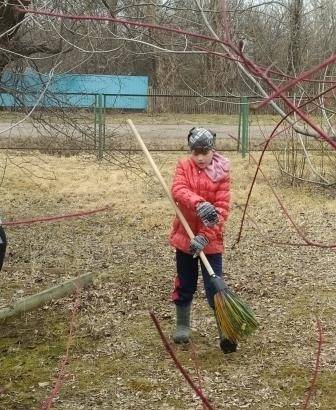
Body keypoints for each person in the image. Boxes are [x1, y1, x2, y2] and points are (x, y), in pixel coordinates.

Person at [169, 127, 236, 353]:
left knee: (214, 287)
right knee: (185, 281)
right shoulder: (183, 166)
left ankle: (225, 330)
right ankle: (182, 324)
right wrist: (199, 204)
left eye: (204, 152)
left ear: (212, 149)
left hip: (211, 242)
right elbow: (178, 190)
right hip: (184, 237)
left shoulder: (221, 172)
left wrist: (204, 238)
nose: (199, 157)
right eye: (195, 152)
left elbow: (222, 210)